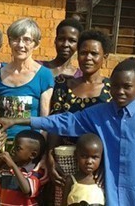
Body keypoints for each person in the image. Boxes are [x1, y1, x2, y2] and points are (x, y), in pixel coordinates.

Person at [0, 59, 135, 205]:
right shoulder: (100, 114)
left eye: (127, 87)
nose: (119, 92)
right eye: (115, 86)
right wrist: (18, 120)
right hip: (111, 197)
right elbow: (64, 121)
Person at [47, 30, 113, 198]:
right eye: (83, 53)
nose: (88, 58)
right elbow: (55, 123)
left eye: (94, 53)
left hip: (98, 165)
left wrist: (106, 165)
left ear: (104, 57)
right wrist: (51, 158)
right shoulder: (62, 84)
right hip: (66, 160)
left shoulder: (111, 89)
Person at [0, 18, 54, 142]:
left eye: (27, 40)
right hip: (2, 143)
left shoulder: (44, 75)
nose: (20, 45)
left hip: (30, 146)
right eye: (15, 39)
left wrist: (42, 149)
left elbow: (45, 120)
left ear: (36, 44)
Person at [0, 130, 46, 206]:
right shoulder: (4, 170)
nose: (12, 150)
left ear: (32, 155)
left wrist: (13, 166)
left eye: (18, 148)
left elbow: (27, 189)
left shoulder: (36, 172)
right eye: (13, 145)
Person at [62, 133, 105, 206]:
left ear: (101, 158)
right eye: (84, 156)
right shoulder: (71, 180)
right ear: (76, 155)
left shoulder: (101, 182)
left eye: (94, 157)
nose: (89, 161)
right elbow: (63, 203)